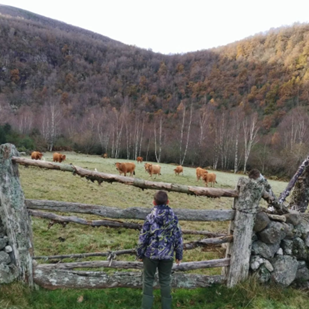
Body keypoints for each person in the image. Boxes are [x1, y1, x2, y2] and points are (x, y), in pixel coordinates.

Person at [137, 190, 183, 309]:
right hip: (167, 255)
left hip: (151, 255)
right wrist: (179, 255)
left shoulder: (150, 217)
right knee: (165, 280)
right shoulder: (174, 217)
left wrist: (140, 254)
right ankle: (166, 307)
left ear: (153, 202)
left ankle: (146, 307)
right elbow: (178, 237)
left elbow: (143, 237)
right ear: (167, 202)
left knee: (148, 280)